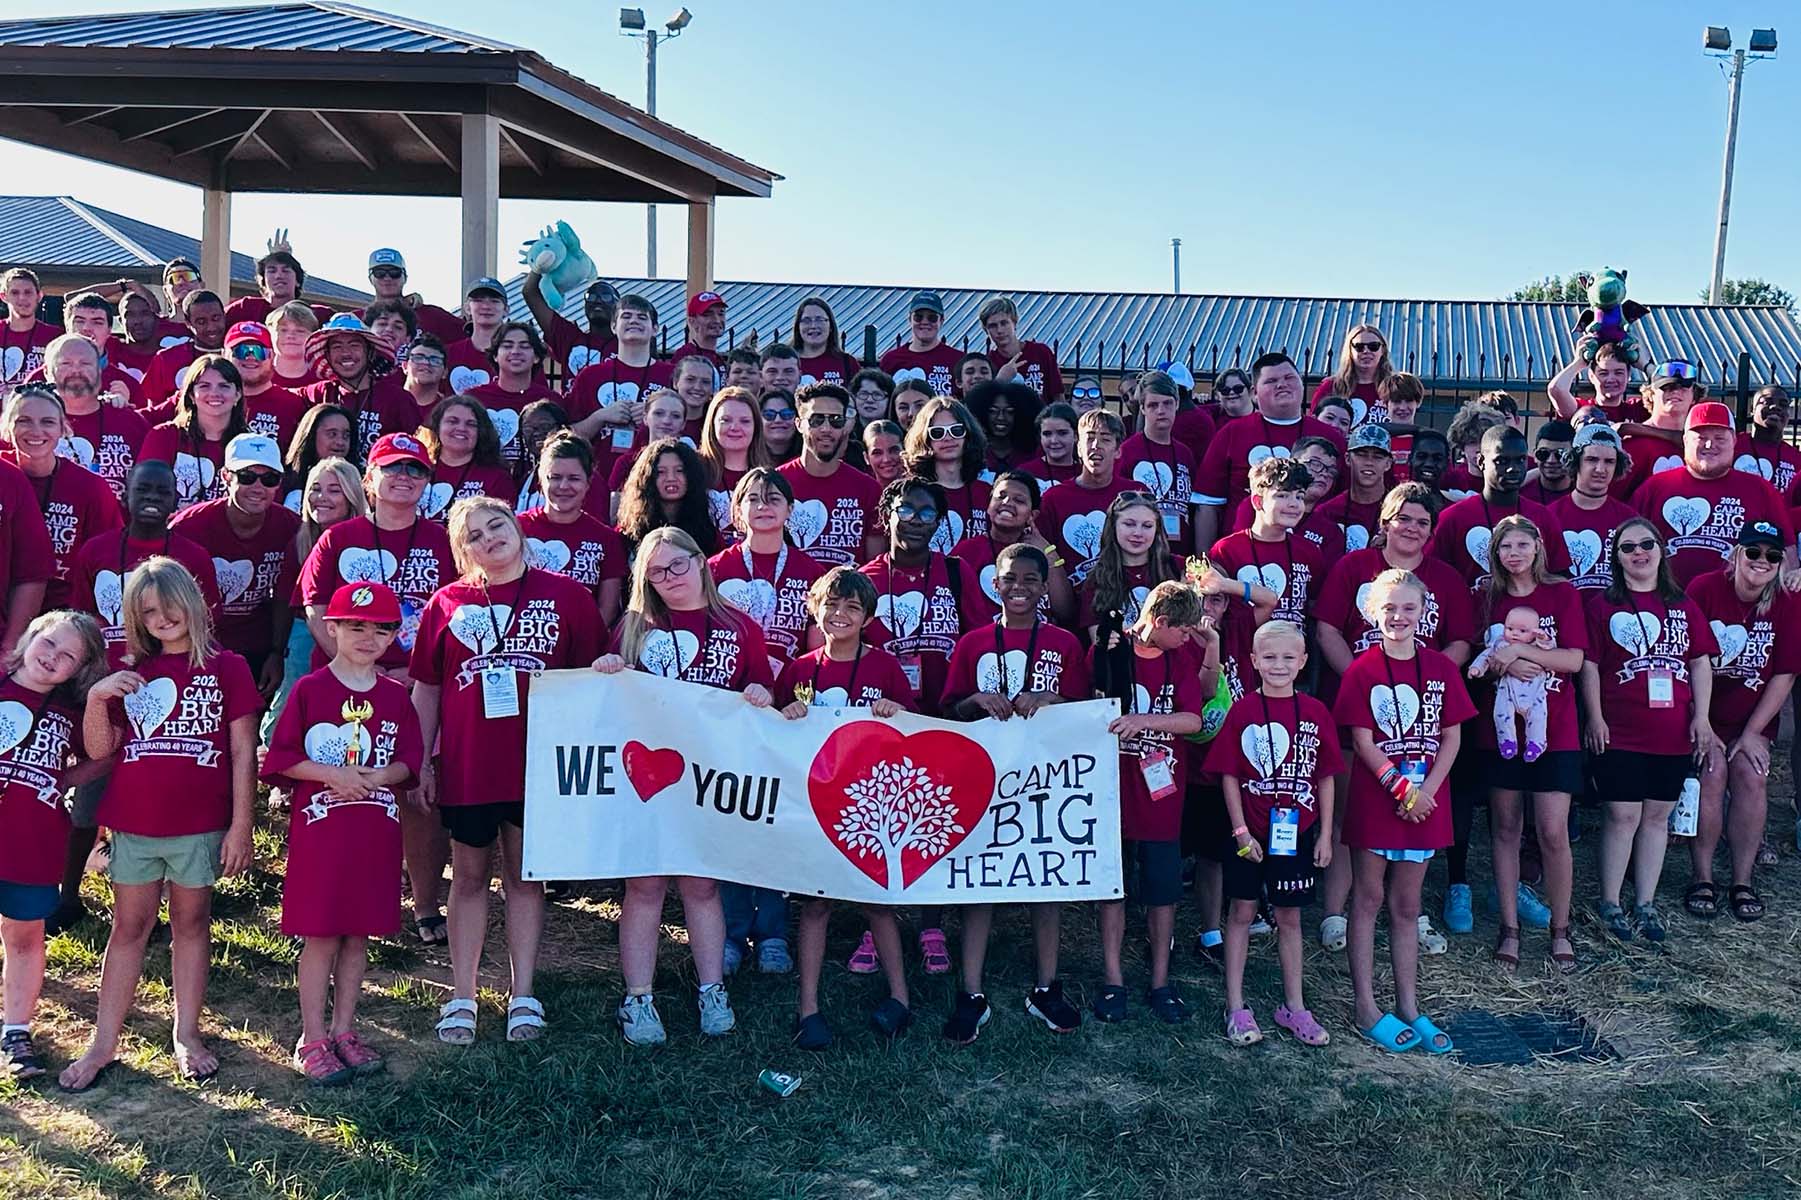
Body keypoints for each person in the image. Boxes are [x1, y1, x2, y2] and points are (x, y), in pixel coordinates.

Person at [58, 557, 259, 1091]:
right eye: (148, 611)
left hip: (198, 825)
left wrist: (243, 824)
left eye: (170, 605)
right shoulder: (131, 672)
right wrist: (99, 696)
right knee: (129, 927)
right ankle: (103, 1043)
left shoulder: (228, 667)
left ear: (192, 603)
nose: (162, 617)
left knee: (192, 924)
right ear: (135, 617)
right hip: (135, 821)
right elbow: (101, 752)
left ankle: (187, 1033)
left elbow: (243, 752)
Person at [412, 498, 603, 1046]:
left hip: (537, 768)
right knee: (468, 878)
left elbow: (594, 678)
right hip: (470, 767)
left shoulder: (567, 596)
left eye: (496, 525)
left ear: (518, 529)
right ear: (461, 549)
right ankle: (463, 995)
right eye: (473, 535)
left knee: (526, 879)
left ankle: (524, 994)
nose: (488, 538)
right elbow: (427, 687)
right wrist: (422, 758)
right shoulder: (446, 603)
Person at [594, 526, 774, 1044]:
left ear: (701, 562)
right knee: (645, 885)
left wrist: (761, 691)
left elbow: (763, 685)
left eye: (677, 565)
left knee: (701, 884)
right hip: (644, 781)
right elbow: (606, 702)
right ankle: (638, 998)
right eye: (655, 571)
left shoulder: (738, 626)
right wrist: (607, 668)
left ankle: (711, 988)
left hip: (709, 778)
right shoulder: (632, 627)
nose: (668, 578)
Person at [298, 434, 455, 943]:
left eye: (415, 470)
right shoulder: (339, 538)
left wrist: (419, 674)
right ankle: (343, 901)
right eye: (393, 468)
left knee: (416, 793)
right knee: (346, 791)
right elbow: (316, 606)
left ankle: (426, 904)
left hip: (419, 683)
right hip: (347, 685)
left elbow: (459, 609)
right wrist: (359, 665)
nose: (404, 477)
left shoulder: (441, 539)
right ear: (370, 478)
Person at [263, 581, 423, 1084]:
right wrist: (331, 774)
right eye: (355, 626)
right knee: (322, 936)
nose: (368, 637)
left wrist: (379, 777)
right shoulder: (311, 689)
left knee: (358, 937)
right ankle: (311, 1036)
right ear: (330, 628)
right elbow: (281, 758)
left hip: (375, 837)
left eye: (381, 629)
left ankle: (345, 1028)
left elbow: (409, 762)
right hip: (323, 839)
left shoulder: (396, 696)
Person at [938, 543, 1091, 1042]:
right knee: (980, 882)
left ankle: (1046, 987)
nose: (1019, 587)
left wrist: (1054, 699)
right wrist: (975, 701)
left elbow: (1088, 713)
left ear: (1045, 587)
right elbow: (948, 713)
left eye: (1030, 579)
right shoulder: (974, 642)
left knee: (1047, 880)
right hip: (986, 781)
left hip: (1047, 782)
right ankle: (972, 991)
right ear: (994, 584)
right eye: (1009, 578)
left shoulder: (1065, 644)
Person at [1311, 483, 1474, 943]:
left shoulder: (1444, 578)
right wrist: (1368, 681)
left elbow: (1460, 640)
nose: (1413, 529)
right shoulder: (1353, 567)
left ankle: (1411, 913)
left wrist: (1430, 681)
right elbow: (1327, 630)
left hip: (1421, 720)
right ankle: (1336, 914)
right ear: (1385, 523)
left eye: (1423, 522)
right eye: (1404, 518)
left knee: (1418, 807)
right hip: (1361, 708)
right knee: (1350, 810)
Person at [1332, 569, 1475, 1055]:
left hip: (1427, 802)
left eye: (1408, 608)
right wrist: (1400, 788)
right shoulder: (1361, 669)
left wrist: (1427, 791)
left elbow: (1452, 735)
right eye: (1389, 608)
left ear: (1423, 611)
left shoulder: (1441, 667)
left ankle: (1410, 1004)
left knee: (1408, 907)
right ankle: (1366, 1004)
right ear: (1374, 611)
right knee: (1368, 898)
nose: (1398, 616)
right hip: (1379, 798)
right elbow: (1362, 740)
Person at [776, 567, 919, 1047]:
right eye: (832, 605)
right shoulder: (799, 671)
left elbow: (914, 729)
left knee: (878, 903)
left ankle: (900, 998)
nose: (840, 615)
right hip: (816, 806)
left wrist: (897, 713)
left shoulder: (884, 668)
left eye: (853, 608)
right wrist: (788, 716)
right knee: (815, 906)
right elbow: (774, 739)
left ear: (868, 618)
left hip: (872, 808)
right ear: (814, 608)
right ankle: (808, 1008)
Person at [1581, 519, 1721, 943]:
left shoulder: (1682, 603)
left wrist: (1703, 718)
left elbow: (1699, 661)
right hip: (1619, 729)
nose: (1638, 553)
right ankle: (1610, 901)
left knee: (1657, 817)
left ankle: (1645, 902)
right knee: (1622, 815)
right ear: (1616, 557)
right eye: (1628, 547)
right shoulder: (1603, 605)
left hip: (1672, 731)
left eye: (1647, 544)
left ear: (1662, 550)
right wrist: (1594, 716)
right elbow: (1588, 665)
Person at [1206, 620, 1341, 1048]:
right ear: (1253, 662)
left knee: (1289, 917)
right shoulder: (1243, 710)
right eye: (1269, 657)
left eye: (1288, 657)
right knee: (1242, 914)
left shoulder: (1317, 713)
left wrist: (1322, 836)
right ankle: (1236, 1006)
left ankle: (1295, 1007)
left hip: (1297, 834)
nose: (1278, 665)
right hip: (1251, 836)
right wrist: (1241, 830)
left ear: (1303, 662)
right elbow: (1227, 774)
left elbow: (1326, 778)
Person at [1470, 517, 1588, 973]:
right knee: (1505, 827)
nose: (1514, 553)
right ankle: (1510, 927)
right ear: (1495, 553)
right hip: (1501, 731)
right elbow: (1482, 661)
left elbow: (1574, 659)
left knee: (1553, 830)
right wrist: (1502, 665)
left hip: (1554, 729)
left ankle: (1560, 928)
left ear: (1539, 547)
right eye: (1505, 546)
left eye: (1523, 544)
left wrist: (1522, 653)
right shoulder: (1488, 598)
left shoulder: (1562, 594)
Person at [1092, 580, 1209, 1024]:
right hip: (1111, 790)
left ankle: (1161, 980)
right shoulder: (1111, 650)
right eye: (1182, 629)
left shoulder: (1179, 659)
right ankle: (1113, 978)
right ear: (1160, 623)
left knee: (1162, 892)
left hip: (1162, 794)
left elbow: (1192, 719)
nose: (1188, 636)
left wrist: (1144, 720)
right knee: (1113, 889)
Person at [0, 610, 108, 1080]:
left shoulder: (71, 712)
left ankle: (16, 1030)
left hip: (33, 838)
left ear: (78, 670)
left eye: (67, 656)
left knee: (24, 936)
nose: (52, 658)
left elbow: (105, 755)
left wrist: (60, 778)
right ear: (30, 637)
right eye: (49, 644)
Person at [1687, 523, 1796, 923]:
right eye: (1753, 552)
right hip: (1703, 713)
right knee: (1712, 773)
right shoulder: (1704, 588)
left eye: (1772, 556)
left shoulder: (1786, 601)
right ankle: (1702, 876)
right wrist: (1703, 725)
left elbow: (1785, 672)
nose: (1762, 562)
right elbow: (1687, 656)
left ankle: (1741, 880)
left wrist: (1752, 733)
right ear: (1735, 555)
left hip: (1752, 716)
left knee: (1752, 775)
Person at [166, 433, 301, 699]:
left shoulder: (290, 526)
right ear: (226, 476)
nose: (258, 487)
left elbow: (286, 596)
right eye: (247, 476)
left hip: (260, 647)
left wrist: (277, 653)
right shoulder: (188, 528)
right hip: (199, 645)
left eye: (269, 478)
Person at [860, 478, 987, 719]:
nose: (916, 520)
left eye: (927, 514)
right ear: (887, 517)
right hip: (885, 716)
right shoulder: (865, 580)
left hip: (951, 717)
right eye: (906, 511)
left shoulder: (957, 572)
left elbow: (979, 643)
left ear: (937, 523)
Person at [1195, 352, 1348, 550]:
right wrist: (1203, 562)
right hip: (1240, 554)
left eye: (1289, 378)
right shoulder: (1232, 433)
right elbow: (1208, 504)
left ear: (1302, 384)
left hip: (1310, 554)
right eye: (1271, 381)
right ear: (1254, 393)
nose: (1282, 385)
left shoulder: (1330, 437)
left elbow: (1346, 498)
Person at [262, 458, 367, 742]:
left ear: (352, 496)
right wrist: (276, 652)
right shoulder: (298, 541)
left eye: (334, 490)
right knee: (287, 713)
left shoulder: (370, 540)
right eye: (316, 489)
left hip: (356, 635)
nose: (321, 498)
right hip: (305, 636)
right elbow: (285, 601)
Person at [1633, 401, 1793, 585]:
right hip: (1667, 604)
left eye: (1720, 438)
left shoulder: (1760, 489)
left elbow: (1786, 549)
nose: (1710, 445)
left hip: (1736, 607)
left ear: (1734, 441)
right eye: (1701, 438)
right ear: (1685, 441)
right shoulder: (1655, 487)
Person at [2, 384, 122, 610]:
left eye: (47, 422)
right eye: (23, 421)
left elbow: (107, 558)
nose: (36, 431)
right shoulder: (3, 475)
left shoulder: (89, 487)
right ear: (7, 428)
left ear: (63, 429)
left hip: (64, 613)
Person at [709, 467, 824, 682]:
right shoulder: (715, 568)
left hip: (790, 691)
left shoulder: (811, 572)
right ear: (738, 509)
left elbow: (817, 649)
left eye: (773, 499)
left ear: (790, 509)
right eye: (753, 499)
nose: (763, 507)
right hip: (729, 688)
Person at [1428, 425, 1571, 587]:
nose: (1513, 469)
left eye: (1520, 460)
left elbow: (1559, 580)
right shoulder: (1453, 518)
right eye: (1501, 461)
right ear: (1481, 461)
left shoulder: (1542, 517)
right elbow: (1434, 576)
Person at [517, 432, 627, 624]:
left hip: (581, 644)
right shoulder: (516, 529)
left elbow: (606, 612)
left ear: (588, 483)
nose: (564, 486)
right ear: (541, 482)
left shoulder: (606, 539)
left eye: (574, 478)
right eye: (555, 477)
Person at [777, 383, 886, 567]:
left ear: (846, 425)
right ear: (799, 424)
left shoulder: (869, 489)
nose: (826, 428)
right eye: (816, 420)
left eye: (836, 420)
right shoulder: (776, 484)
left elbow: (874, 565)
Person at [1208, 458, 1325, 627]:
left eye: (1299, 497)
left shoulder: (1309, 551)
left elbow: (1314, 609)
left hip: (1294, 648)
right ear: (1258, 501)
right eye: (1282, 495)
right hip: (1245, 648)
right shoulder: (1227, 550)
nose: (1293, 504)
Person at [953, 471, 1074, 627]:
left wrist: (1048, 554)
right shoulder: (966, 552)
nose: (1007, 502)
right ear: (988, 506)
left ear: (1032, 515)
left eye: (1019, 500)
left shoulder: (1043, 551)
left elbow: (1065, 612)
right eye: (1000, 496)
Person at [45, 331, 150, 505]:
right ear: (47, 371)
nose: (76, 370)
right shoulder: (30, 424)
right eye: (65, 363)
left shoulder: (131, 422)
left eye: (85, 363)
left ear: (100, 370)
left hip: (118, 528)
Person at [1036, 409, 1137, 585]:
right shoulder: (1054, 498)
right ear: (1079, 448)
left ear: (1118, 451)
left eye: (1105, 439)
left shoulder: (1135, 494)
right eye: (1089, 438)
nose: (1096, 445)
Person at [140, 353, 250, 511]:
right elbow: (145, 496)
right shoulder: (164, 436)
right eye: (204, 386)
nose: (214, 393)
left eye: (224, 386)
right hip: (172, 531)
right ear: (191, 394)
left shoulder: (250, 445)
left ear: (238, 394)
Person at [300, 314, 415, 461]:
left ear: (370, 352)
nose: (346, 353)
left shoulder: (399, 400)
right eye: (337, 347)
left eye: (354, 345)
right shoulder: (314, 395)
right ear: (327, 355)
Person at [1080, 491, 1187, 640]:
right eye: (1129, 524)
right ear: (1113, 526)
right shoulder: (1097, 579)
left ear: (1157, 530)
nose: (1138, 533)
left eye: (1147, 526)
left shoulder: (1178, 567)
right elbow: (1100, 643)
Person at [1118, 372, 1200, 550]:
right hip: (1141, 551)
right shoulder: (1127, 451)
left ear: (1177, 404)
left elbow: (1195, 508)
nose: (1161, 411)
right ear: (1142, 408)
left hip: (1180, 551)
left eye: (1167, 403)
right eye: (1153, 405)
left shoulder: (1184, 453)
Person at [1551, 424, 1637, 591]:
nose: (1600, 469)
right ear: (1576, 461)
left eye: (1609, 462)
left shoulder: (1629, 520)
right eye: (1592, 460)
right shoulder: (1549, 516)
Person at [465, 322, 561, 470]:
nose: (515, 351)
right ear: (495, 355)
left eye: (524, 346)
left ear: (536, 357)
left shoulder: (551, 400)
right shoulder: (474, 398)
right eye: (507, 346)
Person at [903, 397, 991, 552]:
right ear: (924, 439)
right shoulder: (909, 494)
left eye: (956, 430)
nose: (948, 438)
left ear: (968, 434)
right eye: (937, 432)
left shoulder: (988, 493)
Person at [1609, 360, 1702, 498]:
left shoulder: (1702, 445)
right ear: (1651, 394)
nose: (1675, 391)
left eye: (1684, 387)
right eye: (1666, 387)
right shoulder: (1632, 445)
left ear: (1694, 395)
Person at [616, 438, 721, 558]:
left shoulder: (708, 532)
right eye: (661, 472)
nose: (671, 478)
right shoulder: (627, 532)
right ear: (647, 478)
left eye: (679, 470)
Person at [420, 396, 515, 521]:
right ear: (437, 427)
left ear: (481, 432)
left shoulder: (497, 478)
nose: (461, 428)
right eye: (452, 421)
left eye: (471, 424)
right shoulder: (417, 469)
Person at [697, 387, 771, 542]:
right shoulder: (694, 470)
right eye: (726, 420)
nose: (735, 427)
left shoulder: (769, 477)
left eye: (745, 421)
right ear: (712, 424)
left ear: (756, 427)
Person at [224, 321, 308, 454]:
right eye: (241, 351)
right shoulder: (208, 400)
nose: (250, 357)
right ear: (224, 355)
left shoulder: (293, 405)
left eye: (259, 352)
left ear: (272, 356)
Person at [39, 293, 138, 405]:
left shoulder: (127, 384)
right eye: (80, 321)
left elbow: (142, 421)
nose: (87, 328)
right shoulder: (41, 378)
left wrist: (125, 409)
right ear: (67, 326)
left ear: (109, 330)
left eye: (97, 322)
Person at [143, 290, 228, 410]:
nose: (211, 327)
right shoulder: (166, 359)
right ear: (188, 323)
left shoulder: (239, 356)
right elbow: (153, 411)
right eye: (201, 322)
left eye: (216, 318)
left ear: (224, 316)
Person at [360, 248, 466, 345]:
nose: (387, 278)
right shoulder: (356, 319)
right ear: (370, 278)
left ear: (405, 277)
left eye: (394, 272)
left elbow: (473, 337)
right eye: (380, 273)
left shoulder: (432, 315)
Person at [523, 276, 619, 379]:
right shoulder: (569, 339)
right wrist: (542, 264)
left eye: (606, 297)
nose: (598, 301)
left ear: (618, 306)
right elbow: (530, 292)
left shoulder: (628, 345)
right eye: (591, 296)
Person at [1318, 425, 1393, 551]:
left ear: (1388, 464)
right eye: (1361, 455)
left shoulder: (1398, 511)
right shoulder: (1327, 512)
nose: (1369, 462)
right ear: (1347, 459)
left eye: (1377, 457)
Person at [978, 295, 1063, 402]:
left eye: (1004, 323)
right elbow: (982, 405)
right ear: (986, 331)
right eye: (993, 326)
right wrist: (999, 381)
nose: (999, 330)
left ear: (1014, 323)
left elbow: (1058, 397)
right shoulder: (988, 363)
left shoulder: (1041, 352)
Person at [878, 290, 963, 396]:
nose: (925, 322)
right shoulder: (890, 359)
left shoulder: (958, 359)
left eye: (932, 318)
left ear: (941, 321)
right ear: (910, 319)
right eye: (918, 317)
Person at [282, 402, 355, 513]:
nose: (340, 442)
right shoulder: (281, 481)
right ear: (310, 436)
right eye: (332, 434)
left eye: (346, 436)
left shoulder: (358, 483)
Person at [441, 277, 510, 394]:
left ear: (506, 310)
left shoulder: (518, 356)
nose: (486, 306)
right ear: (467, 308)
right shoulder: (449, 354)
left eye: (494, 301)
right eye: (478, 300)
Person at [1549, 340, 1644, 422]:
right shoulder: (1581, 409)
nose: (1611, 379)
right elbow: (1556, 389)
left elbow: (1659, 389)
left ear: (1628, 375)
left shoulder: (1637, 409)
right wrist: (1579, 362)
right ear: (1592, 376)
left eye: (1618, 373)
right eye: (1603, 373)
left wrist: (1645, 365)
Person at [1314, 322, 1393, 421]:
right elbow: (1314, 424)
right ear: (1350, 350)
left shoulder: (1394, 387)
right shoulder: (1331, 387)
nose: (1366, 351)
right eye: (1359, 347)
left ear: (1383, 350)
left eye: (1373, 346)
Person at [1733, 385, 1801, 496]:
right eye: (1766, 402)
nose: (1775, 407)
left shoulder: (1796, 459)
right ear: (1752, 409)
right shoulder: (1733, 446)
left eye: (1783, 405)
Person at [1, 267, 62, 389]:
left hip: (39, 405)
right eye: (15, 293)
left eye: (28, 292)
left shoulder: (57, 338)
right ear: (4, 297)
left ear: (39, 296)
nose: (22, 298)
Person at [966, 379, 1041, 474]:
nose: (1001, 417)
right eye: (992, 411)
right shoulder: (971, 453)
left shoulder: (1034, 453)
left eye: (1010, 412)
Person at [788, 297, 860, 386]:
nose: (813, 326)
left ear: (830, 326)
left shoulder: (847, 363)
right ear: (798, 327)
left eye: (820, 320)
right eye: (806, 320)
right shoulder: (787, 362)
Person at [1019, 401, 1080, 491]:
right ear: (1040, 437)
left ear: (1076, 436)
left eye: (1062, 433)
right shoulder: (1024, 473)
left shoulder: (1087, 474)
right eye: (1047, 434)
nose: (1054, 440)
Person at [669, 290, 727, 381]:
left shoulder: (719, 359)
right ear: (692, 321)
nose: (717, 320)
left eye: (721, 314)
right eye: (707, 315)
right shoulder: (685, 355)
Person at [1376, 372, 1424, 476]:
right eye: (1396, 401)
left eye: (1409, 401)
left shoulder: (1427, 442)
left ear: (1418, 403)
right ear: (1385, 404)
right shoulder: (1375, 441)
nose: (1402, 407)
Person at [268, 300, 321, 391]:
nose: (291, 336)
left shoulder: (323, 379)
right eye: (283, 330)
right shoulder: (257, 376)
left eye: (300, 331)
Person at [1520, 420, 1576, 504]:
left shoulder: (1585, 495)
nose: (1551, 460)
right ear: (1535, 455)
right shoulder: (1521, 494)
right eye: (1543, 453)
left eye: (1560, 454)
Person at [399, 333, 448, 426]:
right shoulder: (387, 402)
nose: (426, 363)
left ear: (445, 372)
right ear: (405, 366)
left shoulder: (449, 410)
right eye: (418, 358)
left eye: (435, 360)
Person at [862, 419, 906, 490]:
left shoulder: (921, 489)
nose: (886, 459)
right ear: (866, 458)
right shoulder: (862, 494)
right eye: (877, 453)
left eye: (893, 450)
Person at [761, 387, 802, 464]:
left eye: (786, 414)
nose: (778, 420)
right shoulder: (746, 458)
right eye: (769, 415)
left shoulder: (810, 459)